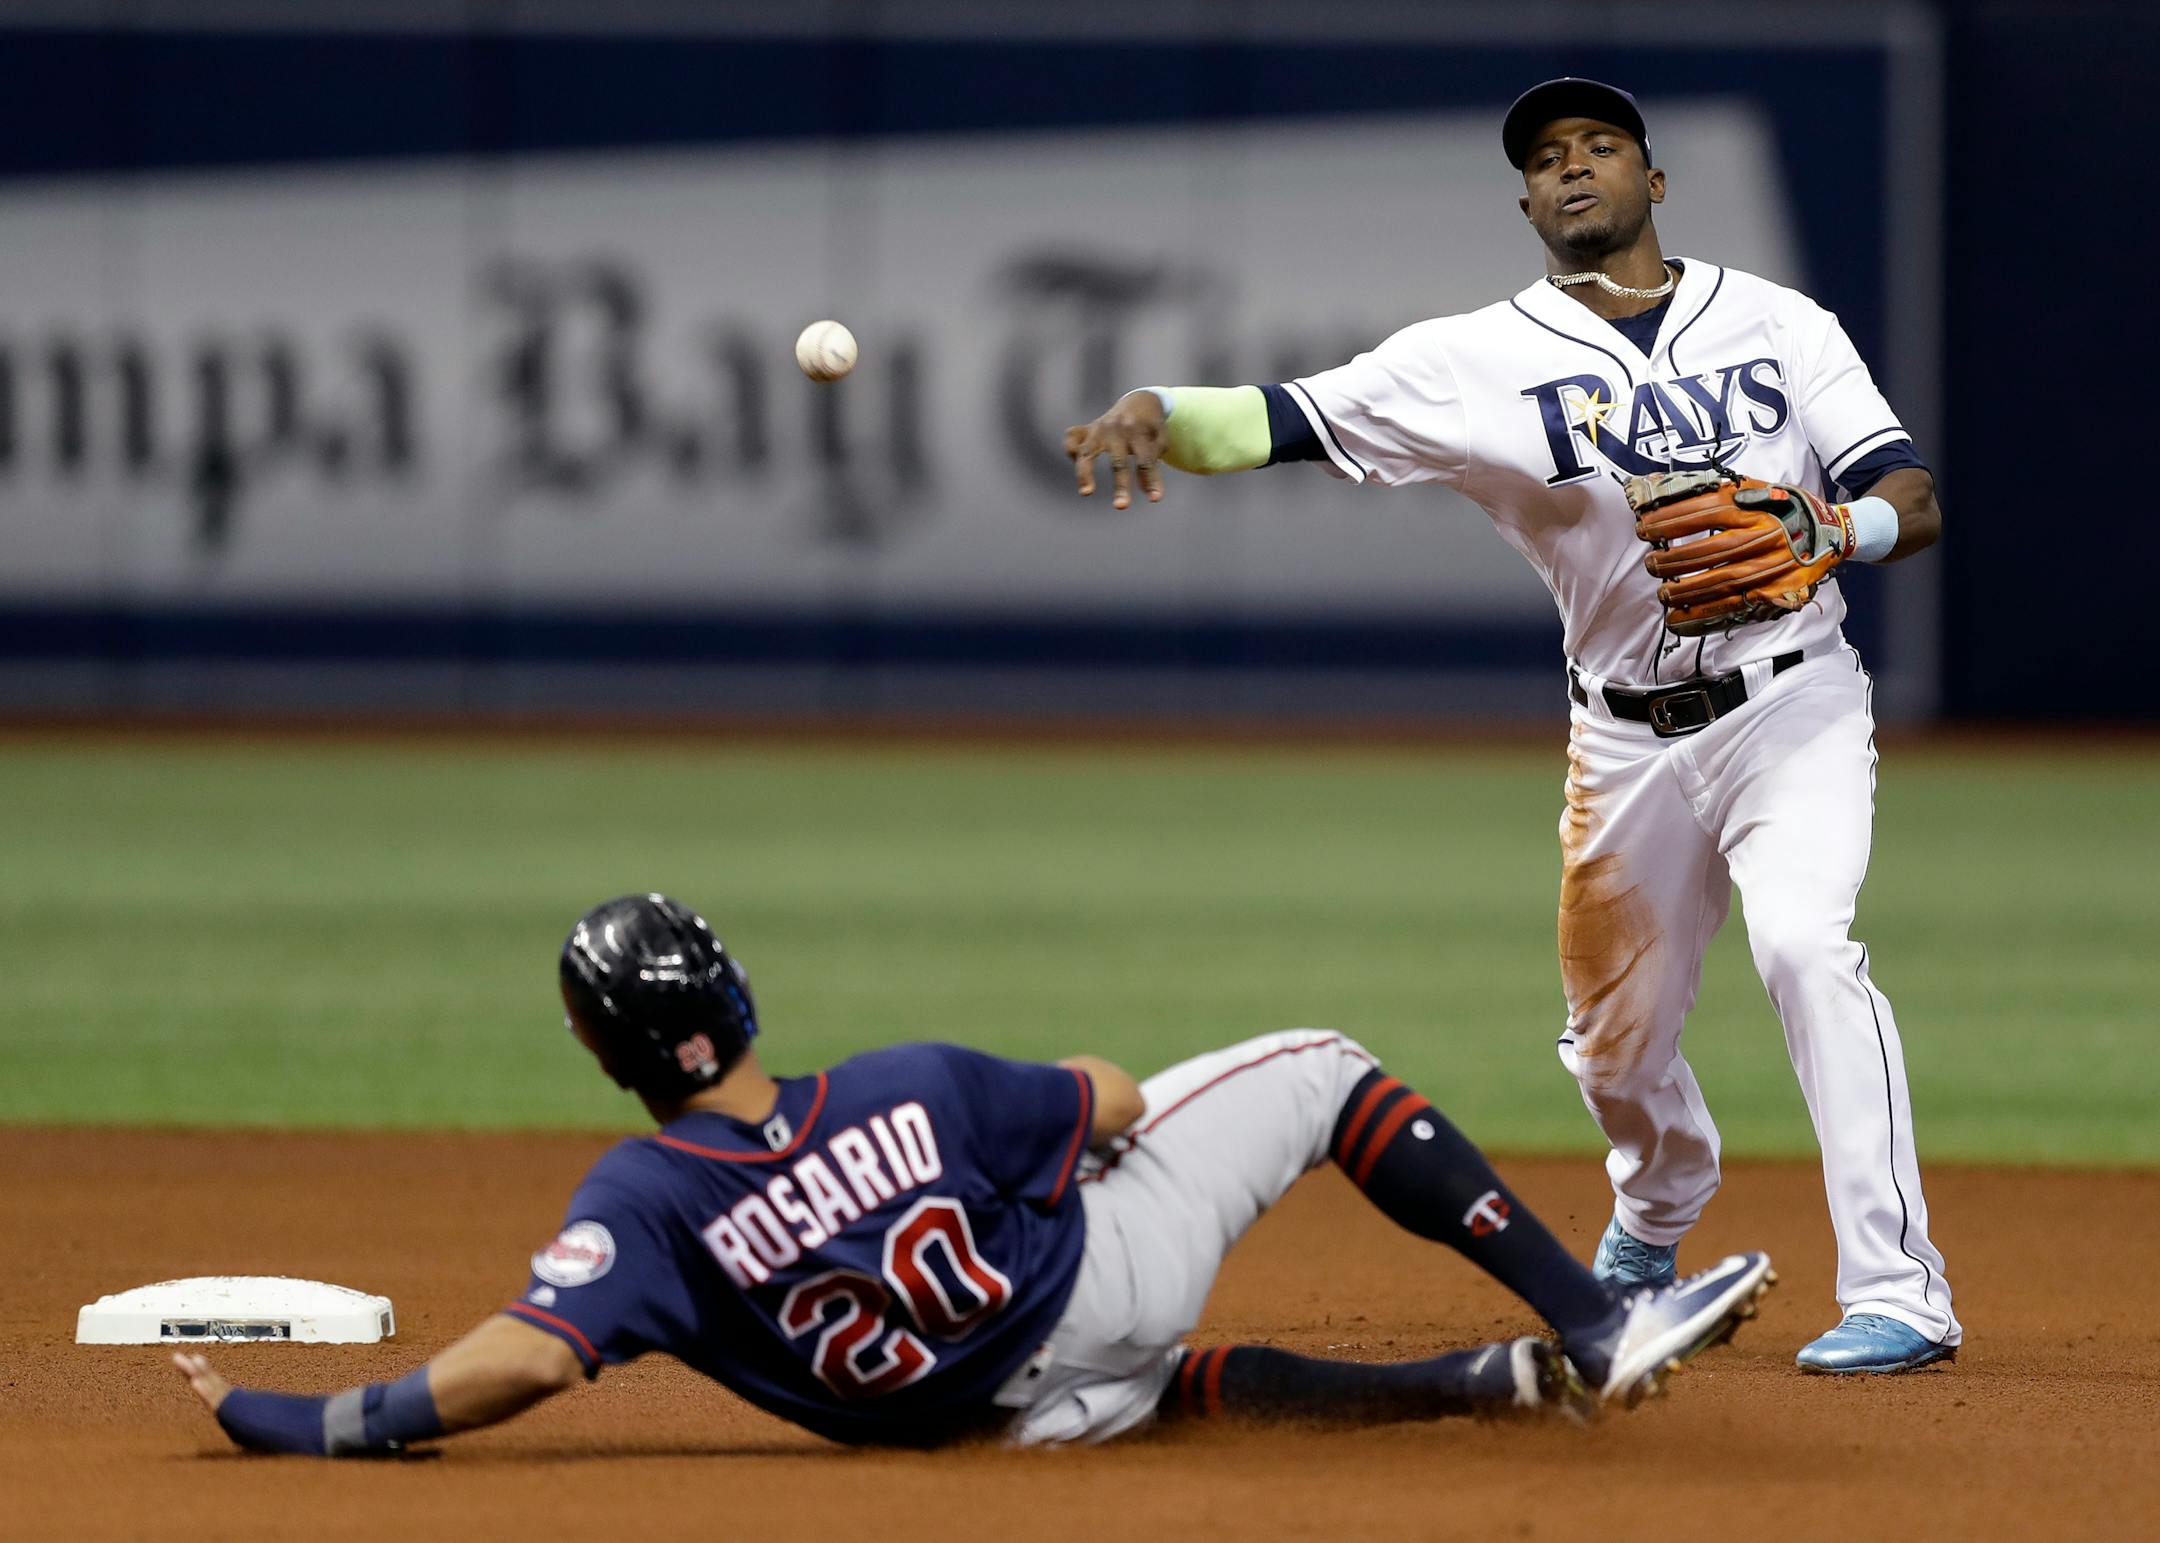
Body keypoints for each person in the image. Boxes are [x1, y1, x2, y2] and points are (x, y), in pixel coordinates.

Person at [1060, 78, 1956, 1375]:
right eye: (1547, 157)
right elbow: (1283, 419)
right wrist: (1158, 407)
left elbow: (1909, 496)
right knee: (1613, 1050)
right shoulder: (1473, 359)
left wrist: (1835, 528)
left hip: (1792, 702)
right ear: (1526, 201)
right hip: (1625, 742)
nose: (1573, 167)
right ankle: (1656, 1207)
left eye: (1601, 146)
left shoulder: (1779, 324)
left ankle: (1900, 1291)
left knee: (1810, 948)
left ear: (1658, 181)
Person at [173, 893, 1774, 1455]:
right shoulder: (909, 1088)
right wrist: (1064, 1120)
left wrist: (329, 1421)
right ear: (734, 1002)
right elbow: (1117, 1096)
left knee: (1137, 1391)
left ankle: (1479, 1392)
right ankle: (1586, 1324)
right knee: (1316, 1067)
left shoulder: (647, 1205)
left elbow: (526, 1357)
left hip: (986, 1422)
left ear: (608, 1056)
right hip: (1100, 1287)